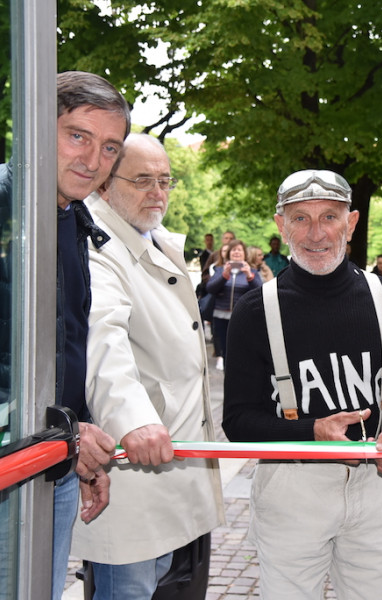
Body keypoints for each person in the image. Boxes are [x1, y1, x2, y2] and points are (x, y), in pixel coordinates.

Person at [223, 168, 382, 599]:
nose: (316, 233)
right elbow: (238, 421)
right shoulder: (256, 310)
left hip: (374, 489)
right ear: (281, 225)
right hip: (292, 489)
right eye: (300, 218)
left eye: (329, 217)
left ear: (351, 223)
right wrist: (310, 432)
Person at [71, 134, 225, 599]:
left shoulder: (149, 237)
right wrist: (135, 421)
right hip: (133, 473)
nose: (157, 192)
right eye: (142, 180)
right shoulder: (97, 249)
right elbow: (104, 344)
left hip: (170, 469)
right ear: (104, 184)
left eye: (165, 180)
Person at [48, 71, 131, 600]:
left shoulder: (70, 222)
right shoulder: (13, 212)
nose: (92, 159)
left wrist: (76, 435)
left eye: (108, 148)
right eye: (77, 135)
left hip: (50, 460)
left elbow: (64, 347)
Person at [206, 238, 261, 369]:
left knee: (242, 350)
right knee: (225, 350)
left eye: (239, 250)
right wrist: (224, 275)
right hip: (221, 317)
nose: (236, 252)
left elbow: (259, 291)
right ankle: (228, 378)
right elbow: (210, 288)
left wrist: (249, 276)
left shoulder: (252, 271)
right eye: (234, 250)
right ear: (229, 253)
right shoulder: (220, 270)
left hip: (243, 317)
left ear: (245, 254)